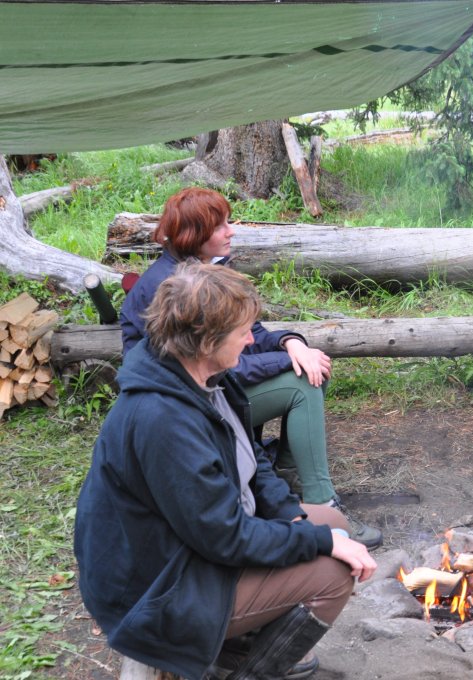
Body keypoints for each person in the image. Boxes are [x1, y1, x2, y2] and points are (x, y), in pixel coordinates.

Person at [76, 263, 377, 679]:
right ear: (205, 341)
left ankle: (233, 647)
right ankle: (246, 669)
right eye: (243, 332)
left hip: (189, 548)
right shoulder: (162, 419)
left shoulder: (207, 378)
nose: (253, 339)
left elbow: (252, 463)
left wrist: (294, 518)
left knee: (328, 521)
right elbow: (225, 537)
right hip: (157, 588)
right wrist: (317, 543)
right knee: (332, 570)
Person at [120, 187, 381, 548]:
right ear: (195, 235)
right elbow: (219, 370)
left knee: (311, 367)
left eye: (229, 222)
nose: (231, 231)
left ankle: (285, 474)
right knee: (301, 383)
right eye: (220, 226)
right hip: (185, 406)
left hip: (208, 392)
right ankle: (321, 499)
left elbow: (250, 333)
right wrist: (289, 359)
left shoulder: (206, 269)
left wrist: (292, 343)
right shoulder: (171, 287)